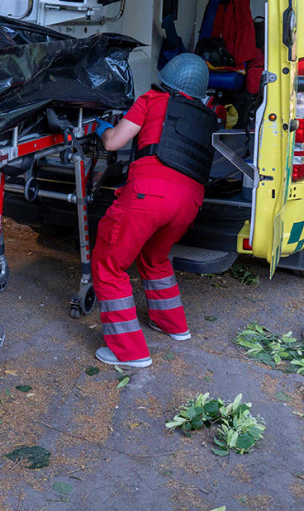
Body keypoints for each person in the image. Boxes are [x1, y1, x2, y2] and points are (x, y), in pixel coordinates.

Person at [90, 54, 216, 367]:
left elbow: (114, 143)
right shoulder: (205, 115)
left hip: (149, 195)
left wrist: (102, 127)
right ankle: (173, 325)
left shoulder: (152, 98)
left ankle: (128, 352)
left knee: (109, 263)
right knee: (155, 258)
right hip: (189, 201)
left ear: (166, 76)